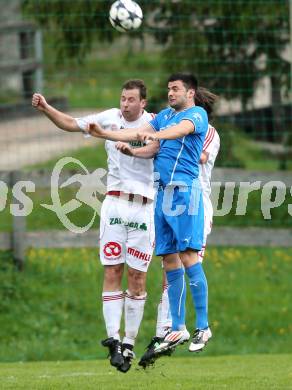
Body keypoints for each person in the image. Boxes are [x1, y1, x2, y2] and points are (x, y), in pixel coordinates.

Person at [31, 79, 158, 373]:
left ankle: (129, 342)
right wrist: (47, 108)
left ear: (143, 103)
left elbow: (154, 149)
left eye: (131, 99)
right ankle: (113, 340)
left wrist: (133, 150)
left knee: (137, 279)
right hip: (114, 203)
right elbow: (71, 124)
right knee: (112, 269)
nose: (125, 103)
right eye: (122, 98)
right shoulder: (109, 118)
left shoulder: (154, 123)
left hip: (143, 206)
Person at [87, 73, 212, 357]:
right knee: (169, 260)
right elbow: (143, 138)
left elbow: (178, 131)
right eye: (168, 89)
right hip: (161, 194)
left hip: (184, 194)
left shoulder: (196, 114)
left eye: (175, 89)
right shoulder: (165, 116)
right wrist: (108, 136)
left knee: (189, 256)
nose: (170, 93)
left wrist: (153, 134)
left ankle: (203, 326)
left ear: (189, 92)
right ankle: (178, 325)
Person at [115, 87, 220, 367]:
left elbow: (199, 156)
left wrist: (163, 136)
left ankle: (181, 329)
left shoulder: (205, 130)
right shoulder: (174, 122)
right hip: (170, 200)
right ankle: (172, 329)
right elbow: (158, 146)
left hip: (194, 204)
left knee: (188, 261)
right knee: (168, 264)